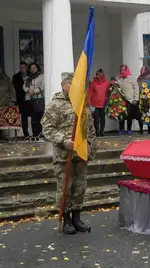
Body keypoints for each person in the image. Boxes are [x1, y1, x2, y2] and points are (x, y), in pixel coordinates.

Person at [41, 72, 96, 235]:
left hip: (80, 153)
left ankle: (77, 218)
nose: (74, 87)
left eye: (76, 84)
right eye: (70, 84)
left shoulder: (81, 103)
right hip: (64, 155)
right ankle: (66, 219)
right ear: (63, 85)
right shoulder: (55, 105)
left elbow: (90, 128)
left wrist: (91, 148)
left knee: (80, 187)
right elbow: (47, 128)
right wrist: (64, 141)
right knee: (65, 188)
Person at [23, 63, 45, 138]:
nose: (32, 69)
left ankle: (41, 134)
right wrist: (28, 90)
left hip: (39, 99)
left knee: (40, 117)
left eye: (34, 68)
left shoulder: (42, 76)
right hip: (30, 100)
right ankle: (35, 134)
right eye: (31, 68)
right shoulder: (28, 78)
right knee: (33, 118)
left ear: (37, 68)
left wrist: (34, 91)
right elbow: (24, 86)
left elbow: (43, 86)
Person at [116, 65, 139, 135]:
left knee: (129, 115)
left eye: (123, 70)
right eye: (121, 70)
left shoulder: (132, 78)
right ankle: (121, 129)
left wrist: (136, 99)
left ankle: (129, 129)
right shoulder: (118, 78)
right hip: (121, 100)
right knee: (121, 115)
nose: (122, 71)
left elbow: (136, 88)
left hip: (130, 100)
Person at [88, 69, 110, 137]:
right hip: (95, 104)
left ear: (102, 74)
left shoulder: (107, 83)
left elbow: (109, 92)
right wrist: (89, 102)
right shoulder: (93, 83)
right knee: (96, 119)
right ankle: (97, 131)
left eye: (100, 74)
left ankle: (102, 131)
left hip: (103, 104)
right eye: (97, 74)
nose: (98, 75)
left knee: (102, 119)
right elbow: (90, 92)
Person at [13, 61, 30, 138]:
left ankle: (36, 133)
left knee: (35, 117)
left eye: (23, 67)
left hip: (31, 98)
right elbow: (16, 88)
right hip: (22, 99)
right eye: (20, 67)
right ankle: (26, 134)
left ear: (26, 67)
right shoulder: (16, 77)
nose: (22, 69)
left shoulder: (31, 75)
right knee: (24, 117)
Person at [0, 65, 16, 140]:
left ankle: (5, 136)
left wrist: (12, 101)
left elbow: (12, 90)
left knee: (4, 120)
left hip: (4, 102)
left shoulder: (7, 80)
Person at [137, 66, 150, 134]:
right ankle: (141, 129)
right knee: (140, 114)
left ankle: (149, 129)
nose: (142, 71)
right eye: (141, 70)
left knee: (149, 113)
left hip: (149, 97)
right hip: (140, 97)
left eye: (143, 70)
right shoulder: (139, 78)